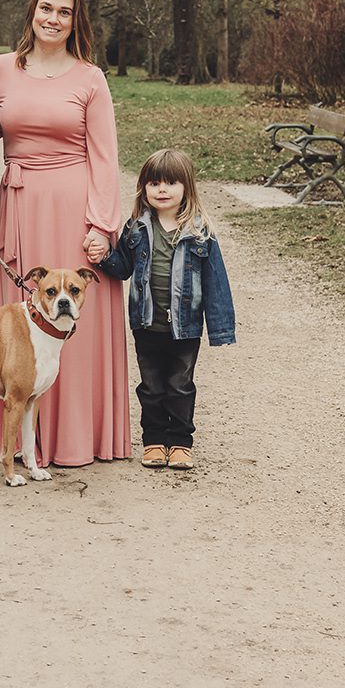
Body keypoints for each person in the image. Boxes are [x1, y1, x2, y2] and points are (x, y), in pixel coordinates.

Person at [0, 0, 128, 467]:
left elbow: (105, 157)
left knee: (75, 318)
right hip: (20, 204)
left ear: (77, 21)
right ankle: (17, 444)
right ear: (32, 11)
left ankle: (77, 438)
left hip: (74, 206)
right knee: (18, 325)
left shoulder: (90, 78)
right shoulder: (1, 68)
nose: (53, 19)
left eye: (64, 12)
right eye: (46, 8)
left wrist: (101, 225)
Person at [91, 148, 236, 471]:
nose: (162, 190)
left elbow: (216, 283)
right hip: (146, 325)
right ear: (144, 188)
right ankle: (154, 440)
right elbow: (123, 269)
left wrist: (221, 328)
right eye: (154, 183)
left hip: (185, 329)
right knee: (151, 386)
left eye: (170, 183)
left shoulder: (200, 232)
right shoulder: (137, 228)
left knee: (181, 385)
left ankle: (181, 442)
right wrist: (103, 256)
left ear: (186, 188)